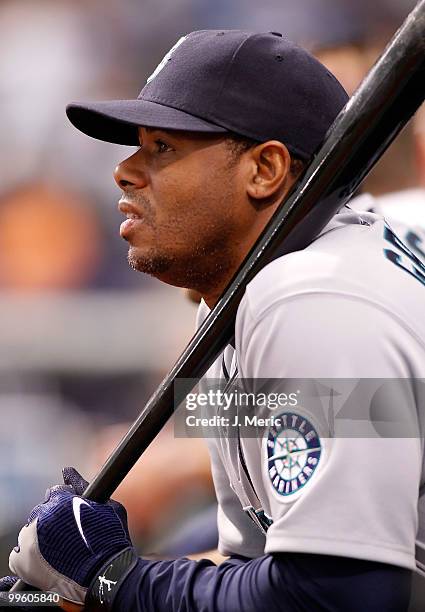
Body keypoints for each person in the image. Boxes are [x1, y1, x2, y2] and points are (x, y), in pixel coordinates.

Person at [2, 30, 425, 611]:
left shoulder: (311, 297)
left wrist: (115, 581)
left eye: (163, 148)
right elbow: (252, 561)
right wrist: (78, 591)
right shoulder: (246, 298)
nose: (124, 171)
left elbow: (339, 598)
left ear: (265, 169)